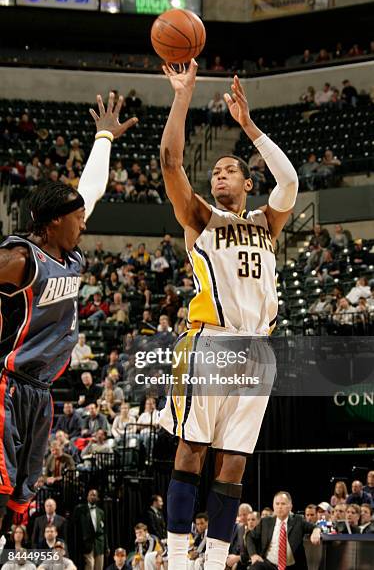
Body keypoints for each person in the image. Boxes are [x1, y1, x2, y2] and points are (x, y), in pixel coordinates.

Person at [158, 61, 298, 569]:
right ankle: (177, 561)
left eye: (228, 169)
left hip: (259, 347)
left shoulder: (266, 221)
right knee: (192, 451)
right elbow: (172, 162)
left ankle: (214, 561)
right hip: (211, 342)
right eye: (214, 170)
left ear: (245, 181)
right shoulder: (201, 216)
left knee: (233, 463)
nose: (219, 173)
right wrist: (182, 96)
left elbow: (290, 180)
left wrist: (249, 126)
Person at [0, 92, 137, 529]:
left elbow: (90, 190)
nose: (85, 221)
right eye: (77, 218)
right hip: (5, 386)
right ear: (55, 221)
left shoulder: (69, 255)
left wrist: (103, 137)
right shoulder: (19, 257)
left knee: (20, 500)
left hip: (39, 393)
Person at [244, 492, 321, 569]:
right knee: (254, 567)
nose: (279, 507)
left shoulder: (298, 520)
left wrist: (316, 531)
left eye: (283, 504)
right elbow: (249, 535)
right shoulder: (265, 522)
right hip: (270, 565)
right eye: (277, 504)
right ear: (273, 506)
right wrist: (253, 555)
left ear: (290, 506)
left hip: (292, 566)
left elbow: (315, 526)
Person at [73, 490, 107, 570]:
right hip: (87, 543)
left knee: (99, 566)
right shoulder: (80, 509)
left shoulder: (101, 512)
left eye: (94, 495)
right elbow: (75, 525)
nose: (92, 496)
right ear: (87, 497)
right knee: (90, 565)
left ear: (97, 498)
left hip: (99, 543)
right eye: (91, 495)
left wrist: (106, 546)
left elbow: (104, 531)